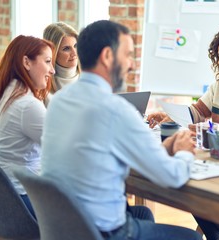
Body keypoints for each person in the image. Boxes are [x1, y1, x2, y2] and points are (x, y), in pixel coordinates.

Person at [40, 20, 202, 240]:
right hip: (104, 232)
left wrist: (163, 149)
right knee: (190, 238)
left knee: (142, 213)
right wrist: (183, 151)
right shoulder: (115, 110)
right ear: (107, 56)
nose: (131, 65)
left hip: (63, 227)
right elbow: (172, 177)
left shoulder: (59, 101)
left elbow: (100, 156)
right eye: (127, 55)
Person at [0, 35, 55, 217]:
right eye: (47, 62)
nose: (52, 70)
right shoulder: (27, 105)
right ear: (26, 62)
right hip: (23, 203)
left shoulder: (8, 93)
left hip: (8, 202)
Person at [43, 22, 80, 105]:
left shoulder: (90, 79)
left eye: (76, 46)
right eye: (66, 48)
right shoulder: (42, 88)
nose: (74, 53)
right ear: (53, 53)